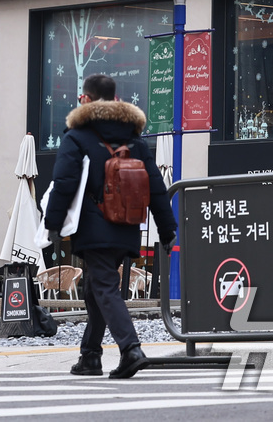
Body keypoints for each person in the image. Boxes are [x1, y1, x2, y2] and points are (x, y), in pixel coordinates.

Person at [43, 72, 176, 380]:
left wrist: (51, 225)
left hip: (93, 227)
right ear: (116, 100)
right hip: (127, 224)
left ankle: (131, 349)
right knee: (94, 288)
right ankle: (90, 356)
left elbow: (64, 183)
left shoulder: (76, 137)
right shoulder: (136, 140)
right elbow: (155, 187)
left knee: (103, 287)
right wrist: (167, 229)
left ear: (85, 100)